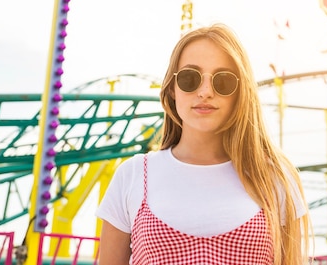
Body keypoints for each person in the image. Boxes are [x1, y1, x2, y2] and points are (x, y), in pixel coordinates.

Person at [96, 23, 311, 265]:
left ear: (241, 92)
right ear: (173, 88)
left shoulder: (274, 178)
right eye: (190, 78)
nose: (206, 91)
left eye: (224, 81)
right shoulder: (133, 175)